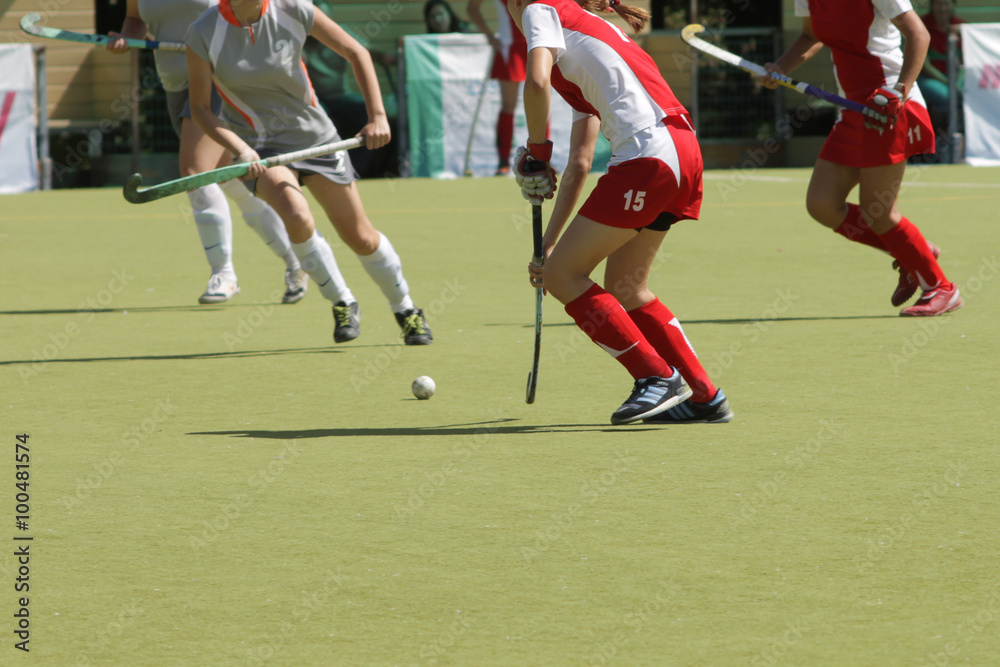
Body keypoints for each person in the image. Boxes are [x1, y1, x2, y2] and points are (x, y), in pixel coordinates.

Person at [507, 0, 733, 425]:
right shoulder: (585, 36)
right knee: (627, 287)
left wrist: (537, 154)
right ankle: (705, 396)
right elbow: (579, 163)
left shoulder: (541, 8)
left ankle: (655, 377)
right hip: (681, 151)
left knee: (564, 277)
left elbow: (534, 83)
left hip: (648, 155)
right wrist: (549, 245)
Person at [185, 0, 433, 345]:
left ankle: (405, 308)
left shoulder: (294, 9)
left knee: (360, 237)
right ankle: (342, 300)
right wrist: (241, 149)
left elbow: (356, 51)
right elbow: (199, 108)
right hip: (260, 148)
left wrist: (377, 115)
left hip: (315, 138)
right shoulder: (202, 32)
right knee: (295, 214)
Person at [761, 0, 961, 316]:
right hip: (852, 109)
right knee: (823, 204)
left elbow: (918, 34)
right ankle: (915, 253)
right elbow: (812, 36)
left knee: (878, 211)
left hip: (887, 106)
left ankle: (941, 288)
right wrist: (781, 68)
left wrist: (899, 91)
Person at [108, 0, 309, 306]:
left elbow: (252, 17)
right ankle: (298, 260)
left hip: (217, 78)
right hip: (175, 84)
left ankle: (223, 274)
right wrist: (125, 38)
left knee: (196, 172)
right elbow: (135, 19)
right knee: (233, 182)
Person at [468, 0, 529, 175]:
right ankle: (503, 162)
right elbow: (472, 8)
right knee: (509, 106)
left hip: (536, 42)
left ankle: (543, 159)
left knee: (541, 102)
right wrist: (488, 35)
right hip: (509, 45)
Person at [917, 0, 964, 126]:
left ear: (953, 5)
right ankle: (940, 135)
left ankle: (964, 133)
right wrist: (949, 83)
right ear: (932, 5)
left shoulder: (961, 26)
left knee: (971, 93)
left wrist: (958, 82)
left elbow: (966, 62)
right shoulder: (921, 26)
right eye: (939, 4)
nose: (943, 8)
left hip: (956, 78)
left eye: (946, 4)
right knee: (946, 97)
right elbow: (925, 66)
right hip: (929, 77)